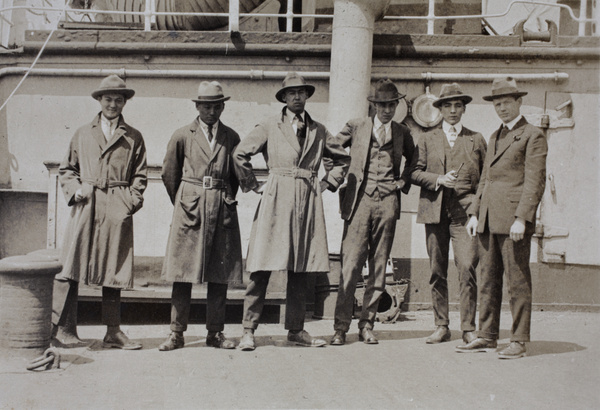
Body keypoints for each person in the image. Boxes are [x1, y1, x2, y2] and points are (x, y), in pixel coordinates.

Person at [233, 72, 350, 351]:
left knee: (302, 267)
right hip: (276, 197)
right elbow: (240, 154)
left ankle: (296, 330)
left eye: (302, 92)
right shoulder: (269, 125)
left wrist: (327, 183)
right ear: (284, 97)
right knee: (261, 266)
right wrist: (254, 185)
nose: (297, 97)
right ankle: (248, 330)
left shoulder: (318, 130)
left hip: (307, 200)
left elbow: (342, 158)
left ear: (307, 96)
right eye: (291, 93)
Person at [52, 74, 147, 350]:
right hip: (87, 203)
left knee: (113, 268)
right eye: (108, 99)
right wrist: (76, 189)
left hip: (117, 204)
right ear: (99, 100)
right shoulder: (83, 132)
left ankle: (113, 331)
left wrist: (129, 202)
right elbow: (67, 169)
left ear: (125, 103)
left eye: (119, 100)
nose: (113, 105)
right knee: (71, 265)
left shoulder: (133, 137)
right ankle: (64, 329)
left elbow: (140, 176)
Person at [456, 77, 547, 359]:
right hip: (487, 219)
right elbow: (485, 179)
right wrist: (474, 213)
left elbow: (535, 181)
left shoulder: (533, 135)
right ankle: (487, 335)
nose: (502, 108)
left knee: (517, 280)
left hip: (513, 221)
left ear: (519, 102)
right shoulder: (495, 136)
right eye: (497, 103)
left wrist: (522, 218)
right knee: (487, 279)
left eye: (507, 102)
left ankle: (518, 340)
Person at [158, 81, 243, 351]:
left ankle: (215, 333)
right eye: (206, 106)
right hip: (190, 207)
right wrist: (186, 200)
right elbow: (169, 174)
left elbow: (235, 176)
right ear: (197, 107)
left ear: (223, 107)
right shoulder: (182, 135)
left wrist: (222, 196)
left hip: (221, 206)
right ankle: (176, 333)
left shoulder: (231, 136)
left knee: (219, 273)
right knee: (182, 272)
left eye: (216, 106)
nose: (211, 111)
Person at [330, 79, 415, 346]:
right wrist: (339, 176)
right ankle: (340, 328)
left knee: (379, 266)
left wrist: (403, 181)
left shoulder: (402, 132)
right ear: (374, 105)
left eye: (391, 105)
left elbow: (415, 160)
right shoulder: (357, 126)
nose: (387, 110)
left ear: (396, 106)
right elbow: (330, 148)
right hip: (358, 201)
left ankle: (367, 324)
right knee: (351, 265)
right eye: (382, 105)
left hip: (388, 202)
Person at [410, 83, 486, 345]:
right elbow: (414, 173)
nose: (453, 111)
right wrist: (439, 179)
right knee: (436, 270)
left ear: (464, 109)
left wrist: (476, 212)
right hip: (434, 213)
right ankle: (441, 325)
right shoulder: (427, 138)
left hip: (464, 216)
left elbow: (485, 181)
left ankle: (468, 328)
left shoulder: (475, 139)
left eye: (457, 106)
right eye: (447, 105)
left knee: (467, 268)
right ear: (440, 109)